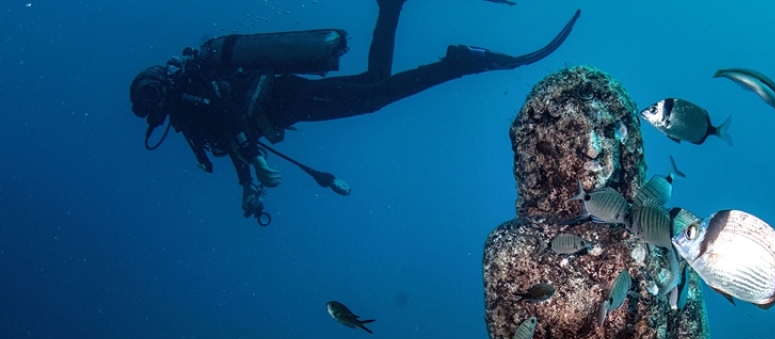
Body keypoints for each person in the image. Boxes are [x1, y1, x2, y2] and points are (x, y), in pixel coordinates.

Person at [129, 1, 580, 224]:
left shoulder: (185, 100)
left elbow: (229, 117)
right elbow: (230, 135)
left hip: (288, 101)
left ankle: (459, 63)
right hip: (287, 100)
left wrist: (256, 162)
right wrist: (248, 184)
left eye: (146, 101)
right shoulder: (186, 105)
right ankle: (394, 8)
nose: (150, 110)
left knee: (372, 97)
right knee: (373, 82)